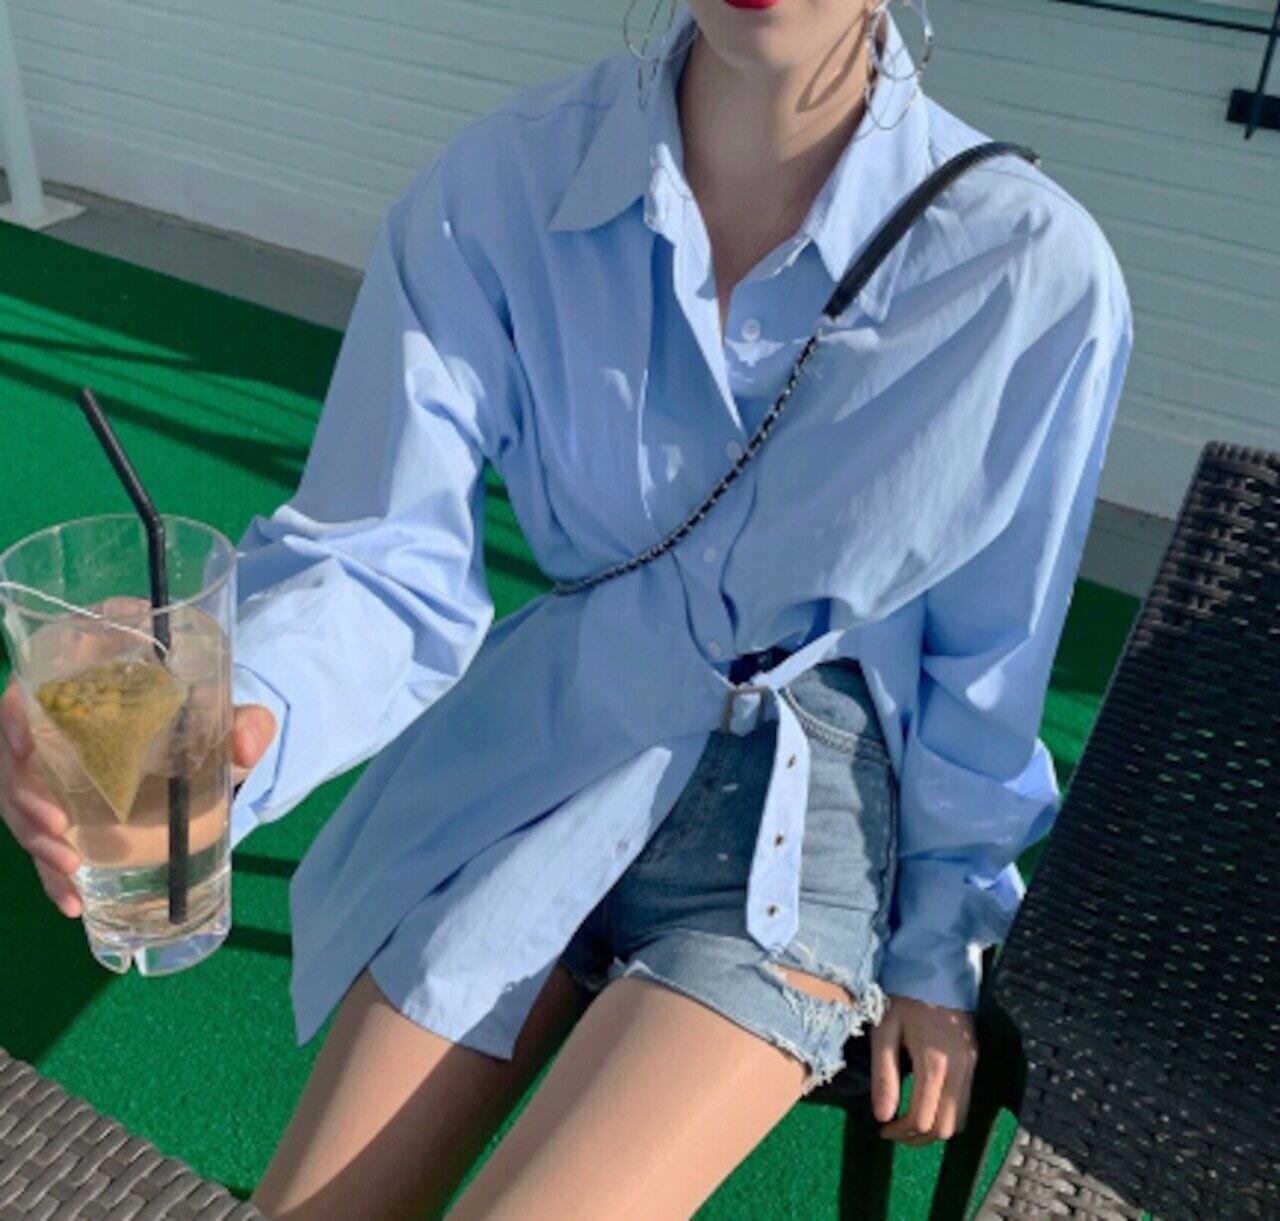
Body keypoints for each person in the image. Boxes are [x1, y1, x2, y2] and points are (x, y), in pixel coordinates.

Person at [0, 0, 1133, 1216]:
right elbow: (385, 553)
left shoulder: (1025, 268)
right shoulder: (501, 188)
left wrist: (938, 943)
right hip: (551, 750)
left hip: (796, 818)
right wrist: (235, 709)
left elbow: (988, 660)